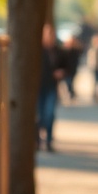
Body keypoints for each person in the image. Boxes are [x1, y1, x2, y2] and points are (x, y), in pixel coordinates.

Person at [37, 23, 65, 152]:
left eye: (51, 34)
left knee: (50, 114)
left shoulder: (57, 50)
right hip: (38, 88)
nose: (50, 36)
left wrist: (61, 72)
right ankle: (37, 140)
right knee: (39, 114)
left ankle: (48, 140)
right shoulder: (37, 50)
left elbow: (66, 65)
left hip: (51, 87)